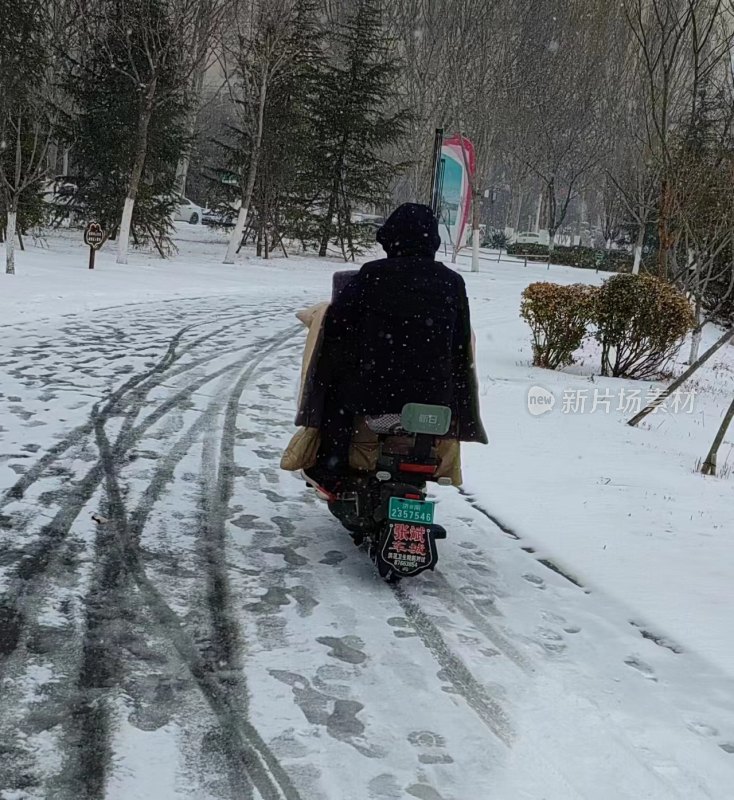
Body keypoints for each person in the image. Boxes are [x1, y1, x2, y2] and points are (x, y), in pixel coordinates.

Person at [300, 202, 487, 484]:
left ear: (389, 238)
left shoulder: (372, 275)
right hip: (435, 401)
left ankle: (332, 465)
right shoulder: (452, 282)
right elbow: (460, 345)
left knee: (334, 389)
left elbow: (338, 326)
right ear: (432, 241)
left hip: (375, 394)